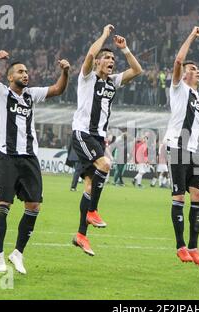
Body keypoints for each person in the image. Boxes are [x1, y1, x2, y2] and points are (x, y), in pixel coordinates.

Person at [0, 50, 70, 274]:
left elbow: (58, 89)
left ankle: (17, 253)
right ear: (9, 77)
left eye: (26, 71)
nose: (25, 74)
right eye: (20, 71)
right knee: (3, 205)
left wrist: (65, 72)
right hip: (6, 157)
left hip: (29, 158)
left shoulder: (31, 95)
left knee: (34, 206)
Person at [71, 25, 142, 256]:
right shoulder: (87, 78)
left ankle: (81, 235)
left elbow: (137, 70)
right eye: (108, 57)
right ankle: (92, 211)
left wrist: (125, 49)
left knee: (90, 186)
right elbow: (90, 55)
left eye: (113, 58)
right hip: (83, 133)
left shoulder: (113, 81)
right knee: (106, 164)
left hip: (99, 138)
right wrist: (103, 35)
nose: (112, 60)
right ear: (98, 62)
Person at [164, 26, 199, 266]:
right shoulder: (178, 88)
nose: (197, 71)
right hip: (178, 147)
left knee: (198, 196)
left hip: (197, 151)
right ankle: (180, 245)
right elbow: (179, 59)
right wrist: (192, 35)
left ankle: (194, 247)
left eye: (198, 69)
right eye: (193, 69)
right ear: (183, 74)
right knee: (179, 197)